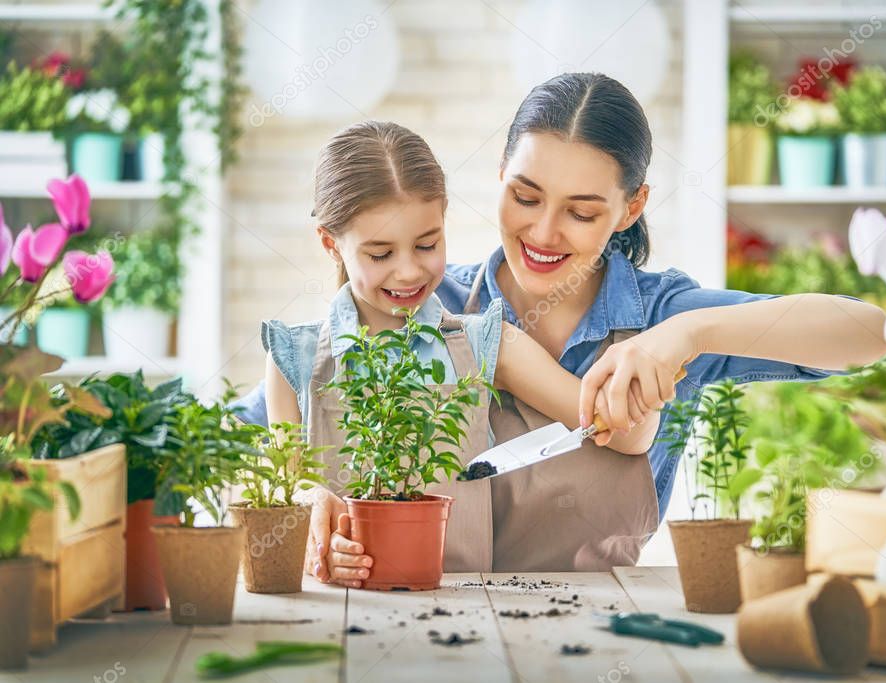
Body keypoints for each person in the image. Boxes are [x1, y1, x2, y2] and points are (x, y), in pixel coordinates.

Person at [234, 73, 886, 587]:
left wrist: (689, 332)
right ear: (498, 176)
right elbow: (268, 426)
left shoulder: (664, 316)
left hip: (594, 632)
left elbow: (879, 333)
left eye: (581, 212)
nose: (544, 233)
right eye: (525, 196)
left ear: (632, 207)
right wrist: (297, 494)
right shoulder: (429, 302)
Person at [261, 119, 660, 587]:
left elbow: (628, 436)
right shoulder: (294, 359)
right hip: (340, 616)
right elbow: (280, 492)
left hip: (468, 614)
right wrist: (313, 509)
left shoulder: (488, 344)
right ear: (331, 244)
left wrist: (642, 380)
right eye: (379, 254)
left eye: (427, 244)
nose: (408, 271)